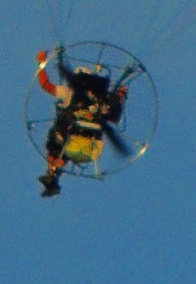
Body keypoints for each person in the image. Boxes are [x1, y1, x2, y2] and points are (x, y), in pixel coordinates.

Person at [35, 47, 128, 197]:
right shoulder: (103, 99)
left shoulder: (69, 93)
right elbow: (114, 117)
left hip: (71, 134)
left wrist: (41, 64)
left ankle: (53, 170)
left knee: (55, 143)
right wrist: (121, 96)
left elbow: (46, 85)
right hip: (88, 141)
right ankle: (54, 171)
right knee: (59, 144)